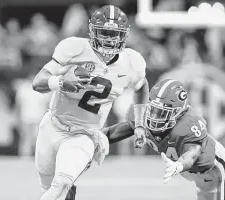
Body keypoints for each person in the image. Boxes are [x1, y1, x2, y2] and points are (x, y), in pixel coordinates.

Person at [32, 5, 149, 200]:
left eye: (114, 34)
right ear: (93, 31)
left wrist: (139, 123)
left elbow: (142, 86)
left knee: (60, 186)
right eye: (104, 32)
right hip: (52, 127)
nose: (109, 39)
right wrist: (60, 82)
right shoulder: (75, 48)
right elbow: (38, 82)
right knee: (52, 189)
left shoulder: (132, 63)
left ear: (124, 36)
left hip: (85, 135)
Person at [104, 79, 225, 200]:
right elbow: (117, 132)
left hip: (207, 167)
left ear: (178, 113)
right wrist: (93, 139)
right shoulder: (141, 115)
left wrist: (179, 165)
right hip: (182, 165)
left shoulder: (187, 125)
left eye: (162, 113)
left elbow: (193, 154)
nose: (154, 117)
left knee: (209, 182)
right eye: (153, 110)